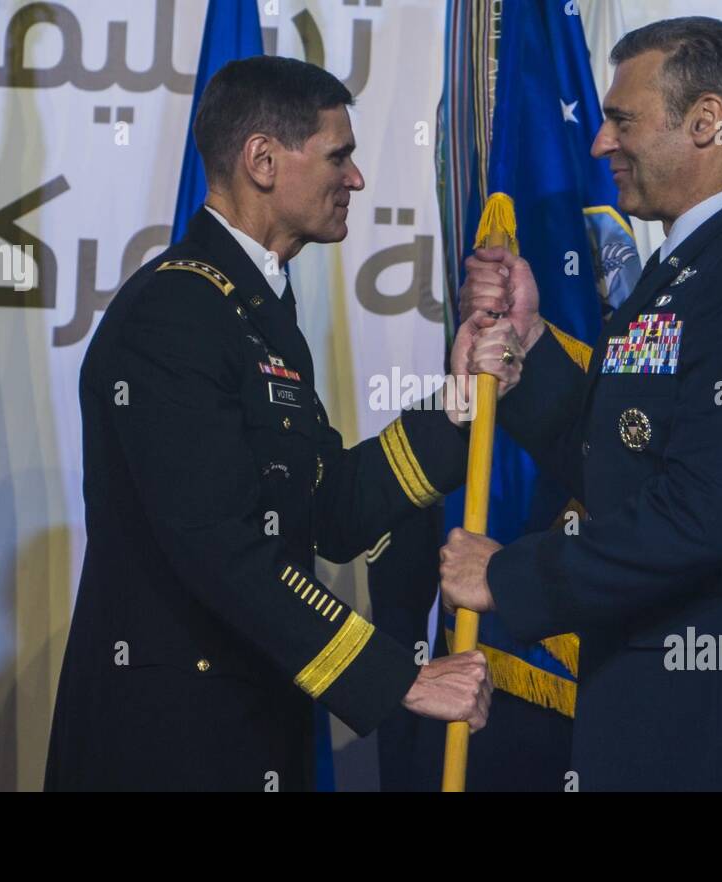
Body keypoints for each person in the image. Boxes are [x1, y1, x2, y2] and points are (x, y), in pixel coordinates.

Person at [441, 17, 722, 791]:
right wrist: (525, 353)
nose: (599, 144)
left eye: (621, 121)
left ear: (707, 121)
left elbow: (703, 512)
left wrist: (514, 578)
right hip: (681, 710)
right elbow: (626, 455)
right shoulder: (691, 266)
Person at [45, 56, 521, 791]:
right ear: (263, 161)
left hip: (253, 726)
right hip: (172, 745)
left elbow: (326, 509)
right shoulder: (176, 312)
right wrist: (399, 679)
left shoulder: (255, 308)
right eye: (339, 155)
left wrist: (458, 405)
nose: (356, 179)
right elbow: (220, 546)